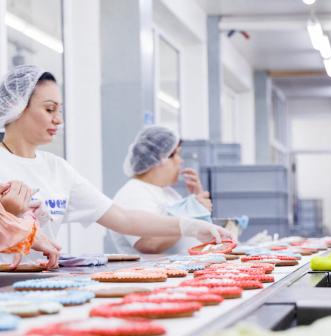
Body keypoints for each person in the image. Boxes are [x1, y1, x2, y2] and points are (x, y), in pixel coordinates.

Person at [0, 65, 231, 263]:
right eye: (49, 109)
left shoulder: (58, 169)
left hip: (36, 284)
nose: (58, 120)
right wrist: (9, 218)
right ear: (17, 107)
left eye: (59, 111)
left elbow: (124, 219)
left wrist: (189, 226)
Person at [110, 126, 214, 254]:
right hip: (150, 272)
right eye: (177, 154)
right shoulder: (133, 193)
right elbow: (149, 243)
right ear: (160, 158)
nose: (180, 161)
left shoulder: (168, 192)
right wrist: (193, 212)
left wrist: (197, 200)